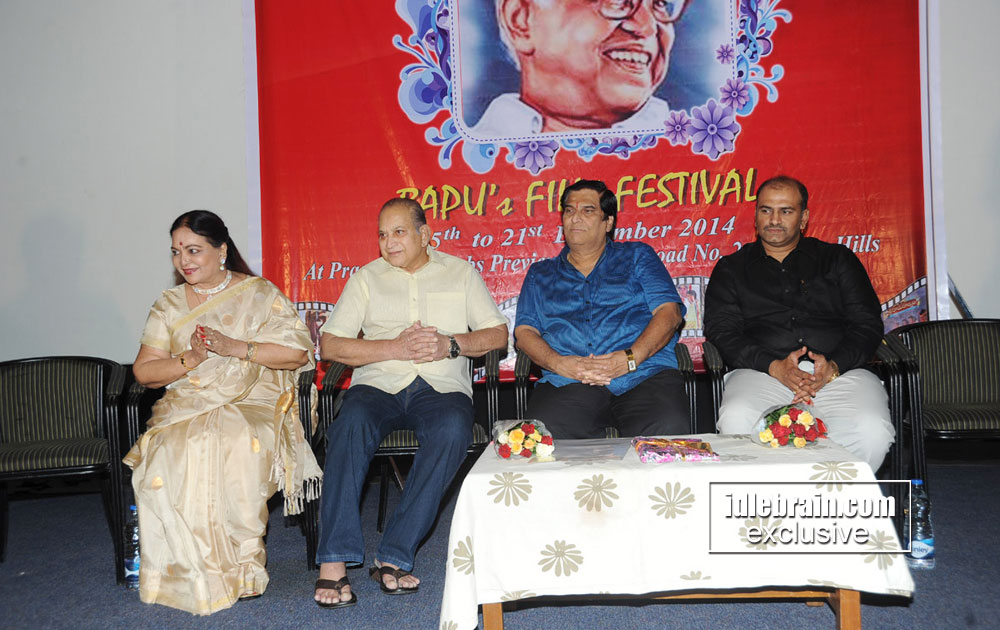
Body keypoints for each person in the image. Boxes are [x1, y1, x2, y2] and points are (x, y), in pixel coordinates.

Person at [313, 198, 508, 609]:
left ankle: (394, 553)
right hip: (378, 384)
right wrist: (394, 347)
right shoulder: (367, 278)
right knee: (349, 425)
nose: (389, 242)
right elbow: (330, 345)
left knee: (452, 429)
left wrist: (449, 345)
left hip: (441, 387)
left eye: (399, 232)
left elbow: (496, 335)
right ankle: (333, 558)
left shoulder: (460, 272)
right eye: (382, 235)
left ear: (425, 234)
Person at [124, 210, 321, 615]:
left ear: (222, 250)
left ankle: (245, 567)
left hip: (255, 402)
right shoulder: (169, 305)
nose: (183, 261)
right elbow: (145, 372)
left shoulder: (259, 294)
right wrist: (192, 358)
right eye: (176, 252)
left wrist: (236, 348)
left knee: (235, 438)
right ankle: (188, 572)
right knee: (167, 451)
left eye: (193, 250)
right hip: (188, 406)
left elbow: (297, 354)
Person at [703, 175, 894, 472]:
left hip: (840, 373)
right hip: (762, 373)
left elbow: (867, 324)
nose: (774, 220)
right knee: (737, 419)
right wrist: (774, 366)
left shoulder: (837, 259)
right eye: (766, 210)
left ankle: (834, 497)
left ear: (803, 218)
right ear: (755, 216)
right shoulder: (732, 268)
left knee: (872, 430)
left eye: (786, 211)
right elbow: (722, 331)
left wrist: (833, 367)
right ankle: (774, 499)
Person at [514, 179, 688, 439]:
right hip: (569, 380)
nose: (575, 218)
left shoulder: (637, 256)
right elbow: (525, 332)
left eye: (588, 210)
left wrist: (630, 359)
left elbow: (669, 312)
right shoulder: (540, 274)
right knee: (544, 437)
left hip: (642, 373)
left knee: (666, 430)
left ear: (608, 222)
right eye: (569, 210)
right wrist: (559, 363)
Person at [470, 0, 688, 137]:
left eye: (660, 3)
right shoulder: (472, 162)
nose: (647, 27)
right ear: (521, 20)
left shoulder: (691, 151)